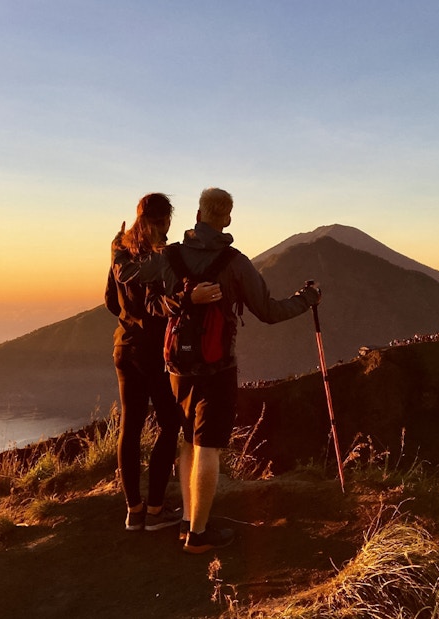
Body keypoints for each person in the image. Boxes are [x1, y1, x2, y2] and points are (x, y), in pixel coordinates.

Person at [114, 187, 322, 553]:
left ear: (197, 214)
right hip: (217, 366)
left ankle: (187, 519)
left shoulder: (168, 255)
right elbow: (270, 312)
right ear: (225, 218)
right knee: (208, 445)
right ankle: (197, 534)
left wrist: (121, 245)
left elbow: (130, 277)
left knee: (188, 440)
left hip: (176, 365)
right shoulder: (236, 263)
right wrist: (308, 299)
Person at [105, 192, 183, 531]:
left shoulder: (120, 248)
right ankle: (154, 510)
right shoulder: (161, 257)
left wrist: (129, 319)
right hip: (152, 351)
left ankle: (133, 511)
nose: (166, 228)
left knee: (131, 425)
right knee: (169, 423)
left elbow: (110, 298)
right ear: (156, 220)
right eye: (163, 222)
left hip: (124, 347)